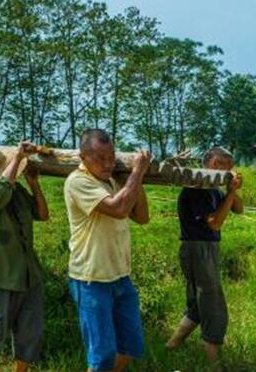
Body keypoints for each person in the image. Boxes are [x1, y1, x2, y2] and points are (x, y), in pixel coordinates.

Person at [64, 128, 150, 372]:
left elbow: (142, 217)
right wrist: (137, 172)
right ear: (83, 158)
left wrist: (135, 180)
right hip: (91, 279)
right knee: (101, 356)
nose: (107, 163)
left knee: (129, 347)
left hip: (120, 277)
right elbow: (119, 209)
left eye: (111, 157)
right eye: (99, 158)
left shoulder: (113, 181)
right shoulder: (78, 181)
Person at [0, 142, 50, 372]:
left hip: (28, 272)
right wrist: (17, 158)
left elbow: (42, 214)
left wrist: (34, 184)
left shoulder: (16, 190)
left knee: (29, 329)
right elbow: (1, 189)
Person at [166, 147, 243, 365]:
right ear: (206, 163)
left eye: (228, 166)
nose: (223, 169)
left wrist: (231, 190)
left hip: (203, 249)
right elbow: (215, 224)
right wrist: (229, 193)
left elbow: (239, 209)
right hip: (197, 249)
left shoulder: (212, 188)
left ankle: (170, 346)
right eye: (218, 164)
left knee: (198, 306)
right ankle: (213, 364)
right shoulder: (197, 187)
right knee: (213, 304)